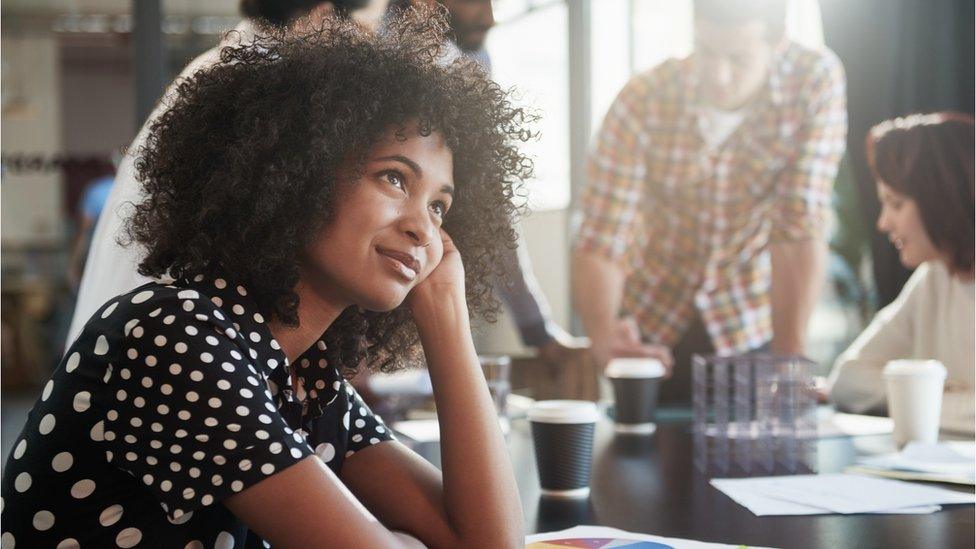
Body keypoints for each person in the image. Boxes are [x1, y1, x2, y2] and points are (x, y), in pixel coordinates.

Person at [2, 12, 525, 547]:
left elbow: (489, 543)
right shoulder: (174, 337)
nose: (423, 227)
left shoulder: (304, 378)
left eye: (441, 207)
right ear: (297, 174)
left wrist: (447, 316)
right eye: (394, 178)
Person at [65, 0, 390, 348]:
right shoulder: (261, 89)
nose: (368, 40)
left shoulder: (224, 69)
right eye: (366, 25)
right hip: (172, 344)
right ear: (322, 14)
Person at [573, 0, 847, 404]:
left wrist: (789, 361)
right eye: (707, 53)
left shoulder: (813, 81)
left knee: (750, 455)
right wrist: (603, 334)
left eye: (738, 59)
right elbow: (602, 233)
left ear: (777, 44)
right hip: (654, 318)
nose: (719, 76)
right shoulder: (642, 99)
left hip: (748, 318)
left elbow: (798, 225)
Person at [407, 0, 585, 363]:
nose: (490, 17)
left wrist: (536, 327)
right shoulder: (374, 50)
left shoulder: (473, 61)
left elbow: (491, 202)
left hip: (427, 295)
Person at [828, 113, 975, 435]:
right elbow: (848, 380)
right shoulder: (934, 279)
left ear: (941, 198)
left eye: (895, 204)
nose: (883, 223)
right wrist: (939, 396)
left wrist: (922, 400)